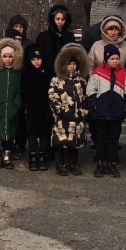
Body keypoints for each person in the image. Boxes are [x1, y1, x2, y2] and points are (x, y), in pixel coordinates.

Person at [87, 44, 126, 178]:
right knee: (101, 139)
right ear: (106, 59)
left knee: (114, 139)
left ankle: (112, 163)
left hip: (116, 113)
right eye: (112, 59)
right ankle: (101, 162)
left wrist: (125, 107)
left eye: (117, 58)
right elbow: (90, 91)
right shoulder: (97, 73)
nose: (115, 61)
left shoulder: (124, 73)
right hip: (101, 113)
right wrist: (94, 105)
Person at [49, 43, 90, 176]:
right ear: (63, 65)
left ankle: (73, 164)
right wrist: (60, 112)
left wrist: (84, 112)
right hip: (62, 118)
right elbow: (53, 97)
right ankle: (60, 164)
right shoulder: (57, 80)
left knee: (75, 142)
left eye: (74, 64)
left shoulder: (81, 81)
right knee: (61, 141)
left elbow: (85, 98)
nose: (72, 66)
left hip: (77, 118)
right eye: (69, 64)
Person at [0, 38, 23, 170]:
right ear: (0, 57)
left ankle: (7, 154)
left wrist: (16, 105)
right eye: (5, 56)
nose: (7, 59)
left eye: (10, 56)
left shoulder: (17, 74)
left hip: (11, 108)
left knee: (9, 132)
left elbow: (19, 90)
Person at [21, 43, 52, 172]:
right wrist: (26, 104)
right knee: (32, 133)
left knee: (45, 132)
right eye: (33, 59)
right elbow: (23, 91)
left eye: (39, 59)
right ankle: (33, 156)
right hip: (31, 108)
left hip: (45, 107)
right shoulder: (25, 73)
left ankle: (43, 155)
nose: (36, 62)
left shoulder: (47, 72)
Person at [36, 4, 74, 71]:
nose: (60, 22)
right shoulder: (43, 37)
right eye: (57, 19)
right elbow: (38, 56)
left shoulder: (70, 37)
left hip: (65, 72)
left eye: (63, 19)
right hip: (47, 72)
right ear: (52, 19)